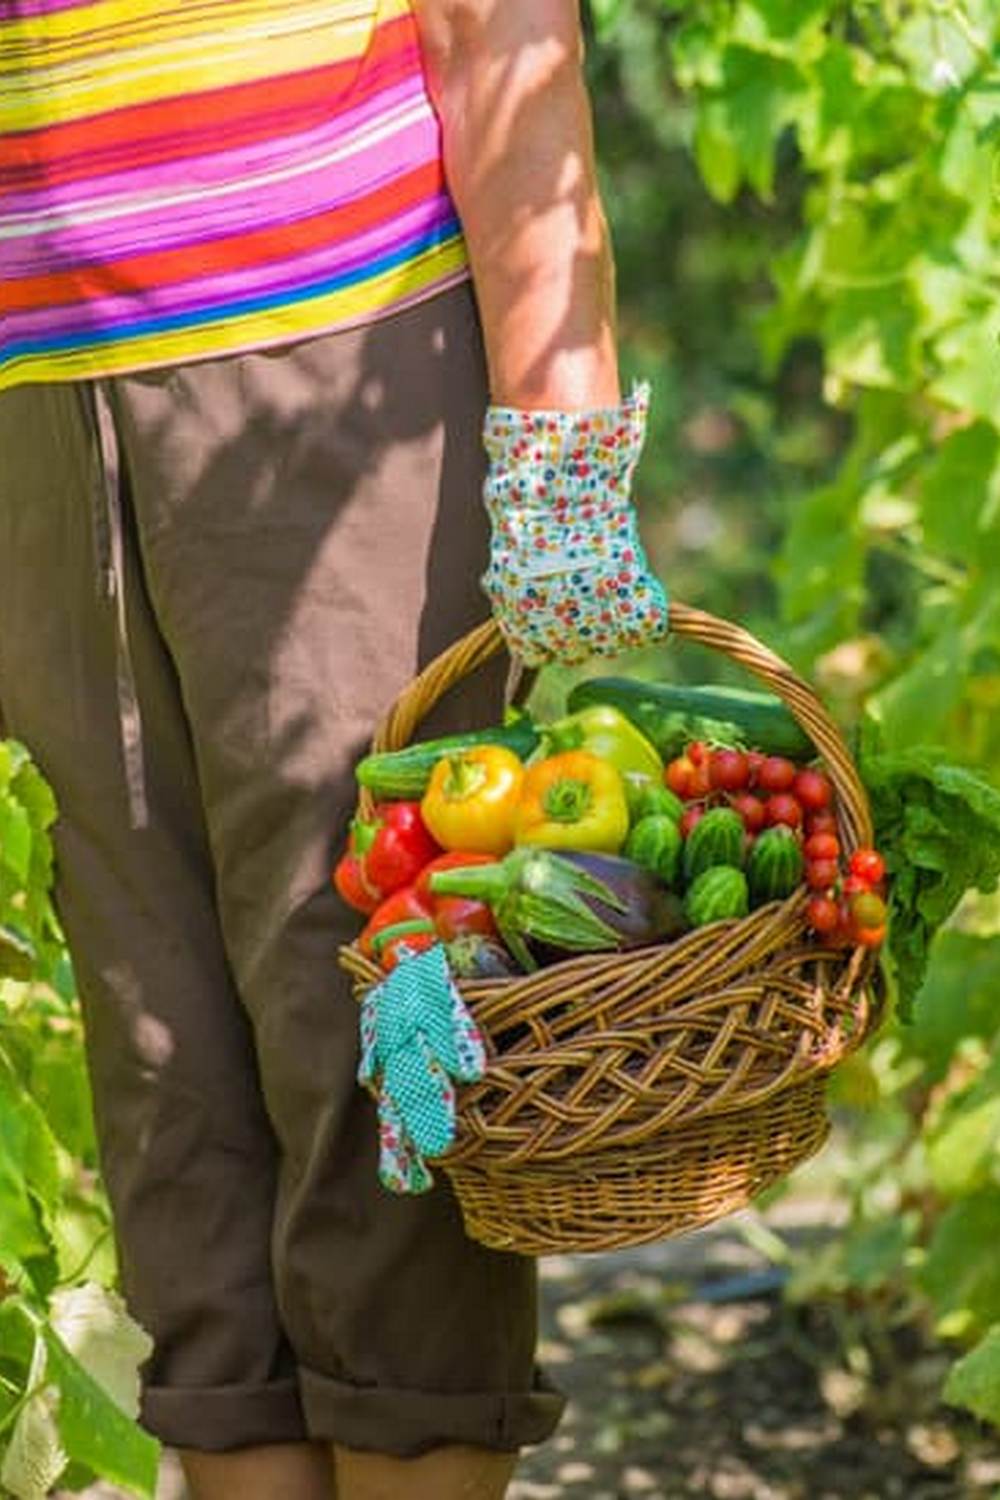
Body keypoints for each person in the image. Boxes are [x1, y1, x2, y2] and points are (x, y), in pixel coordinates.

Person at [0, 1, 666, 1495]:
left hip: (335, 349)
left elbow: (502, 30)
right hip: (33, 402)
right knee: (153, 1043)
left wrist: (561, 439)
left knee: (375, 1002)